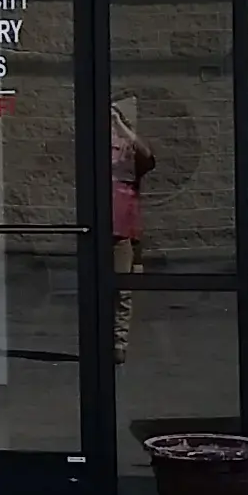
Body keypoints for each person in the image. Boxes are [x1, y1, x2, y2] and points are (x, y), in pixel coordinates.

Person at [108, 96, 155, 365]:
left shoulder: (129, 151)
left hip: (122, 228)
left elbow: (147, 157)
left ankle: (119, 340)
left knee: (122, 287)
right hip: (97, 226)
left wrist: (120, 125)